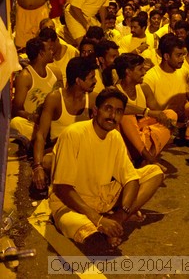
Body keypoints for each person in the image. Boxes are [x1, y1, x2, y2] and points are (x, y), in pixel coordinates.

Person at [49, 87, 164, 248]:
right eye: (108, 109)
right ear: (95, 111)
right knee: (89, 236)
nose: (112, 116)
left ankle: (114, 222)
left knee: (154, 172)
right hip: (71, 203)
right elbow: (62, 187)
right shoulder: (73, 134)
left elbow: (131, 179)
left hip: (102, 196)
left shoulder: (114, 136)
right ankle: (104, 227)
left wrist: (121, 214)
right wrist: (98, 219)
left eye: (118, 111)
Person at [32, 57, 98, 191]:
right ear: (79, 81)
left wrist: (146, 112)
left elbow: (120, 107)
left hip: (85, 153)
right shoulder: (55, 98)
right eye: (91, 78)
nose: (95, 81)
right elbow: (41, 134)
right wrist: (37, 166)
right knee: (47, 162)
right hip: (59, 153)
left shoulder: (92, 99)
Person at [114, 54, 177, 167]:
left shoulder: (144, 88)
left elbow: (158, 113)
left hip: (142, 134)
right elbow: (122, 107)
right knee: (125, 116)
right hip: (126, 142)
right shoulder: (114, 91)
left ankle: (146, 160)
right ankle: (147, 159)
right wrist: (146, 112)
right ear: (128, 72)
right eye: (140, 69)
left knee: (170, 115)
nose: (144, 72)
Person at [10, 37, 62, 141]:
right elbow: (17, 109)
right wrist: (33, 117)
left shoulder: (55, 72)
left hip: (55, 121)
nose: (52, 52)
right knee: (16, 122)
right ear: (41, 53)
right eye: (49, 49)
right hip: (35, 124)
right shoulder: (26, 77)